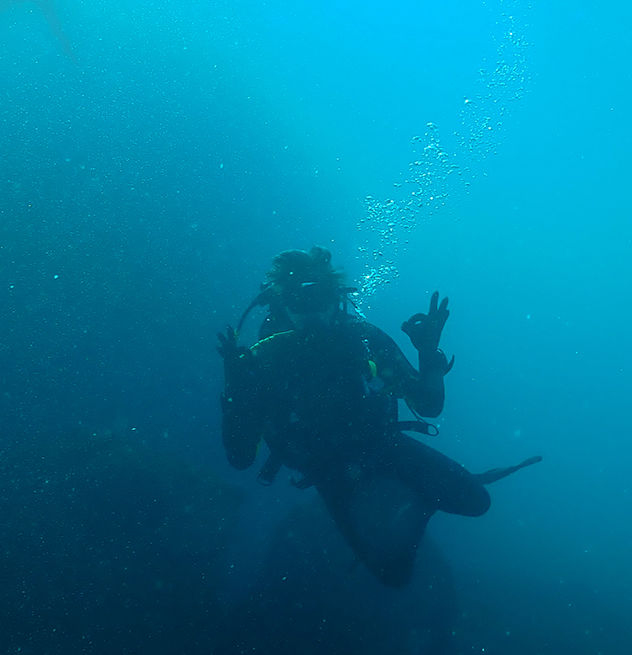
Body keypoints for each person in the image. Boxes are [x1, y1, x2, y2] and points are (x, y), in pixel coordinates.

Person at [219, 247, 539, 586]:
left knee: (477, 501)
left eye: (321, 296)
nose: (312, 312)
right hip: (325, 468)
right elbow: (240, 458)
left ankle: (419, 502)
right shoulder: (265, 359)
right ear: (284, 304)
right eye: (300, 301)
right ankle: (412, 499)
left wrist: (428, 351)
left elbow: (428, 405)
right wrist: (236, 392)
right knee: (393, 576)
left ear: (336, 297)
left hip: (383, 445)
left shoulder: (364, 339)